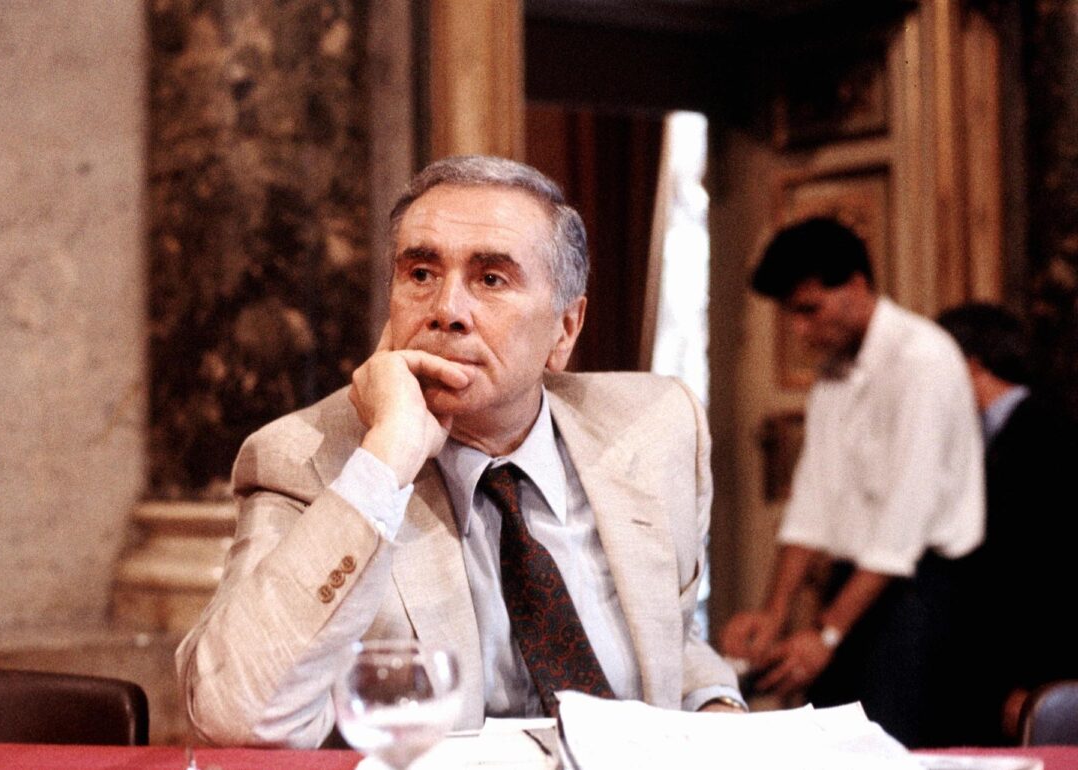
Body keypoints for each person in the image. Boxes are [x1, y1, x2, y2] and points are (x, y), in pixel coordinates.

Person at [176, 155, 744, 747]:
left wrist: (715, 702)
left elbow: (666, 633)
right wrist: (386, 462)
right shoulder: (306, 457)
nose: (446, 310)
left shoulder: (657, 427)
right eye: (421, 273)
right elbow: (233, 713)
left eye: (491, 279)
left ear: (565, 329)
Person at [720, 217, 984, 747]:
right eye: (791, 314)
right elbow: (811, 504)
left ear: (857, 285)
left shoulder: (923, 360)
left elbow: (901, 527)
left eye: (809, 309)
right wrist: (774, 613)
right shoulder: (832, 375)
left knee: (897, 750)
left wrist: (826, 633)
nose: (798, 330)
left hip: (920, 596)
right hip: (855, 588)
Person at [936, 302, 1078, 745]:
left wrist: (1037, 681)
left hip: (1029, 671)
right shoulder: (988, 432)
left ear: (970, 363)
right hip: (992, 666)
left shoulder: (1047, 431)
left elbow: (1053, 570)